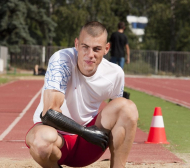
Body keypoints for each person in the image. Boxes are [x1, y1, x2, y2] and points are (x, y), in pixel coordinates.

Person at [25, 21, 138, 168]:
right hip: (58, 140)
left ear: (106, 48)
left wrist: (94, 134)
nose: (90, 55)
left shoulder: (115, 73)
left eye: (97, 49)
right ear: (77, 44)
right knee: (41, 141)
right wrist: (85, 132)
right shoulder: (61, 60)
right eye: (85, 47)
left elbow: (120, 118)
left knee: (127, 107)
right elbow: (49, 114)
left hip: (89, 144)